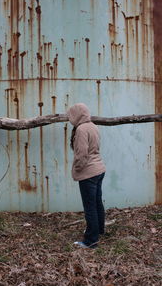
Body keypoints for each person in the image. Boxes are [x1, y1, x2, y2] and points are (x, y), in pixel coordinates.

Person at [67, 103, 106, 249]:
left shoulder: (82, 129)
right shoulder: (93, 126)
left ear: (77, 114)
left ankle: (91, 241)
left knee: (90, 207)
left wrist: (77, 169)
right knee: (97, 203)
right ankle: (99, 230)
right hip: (99, 169)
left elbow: (82, 154)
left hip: (88, 172)